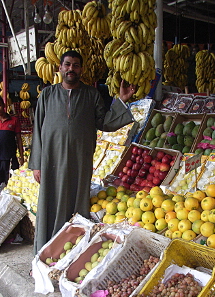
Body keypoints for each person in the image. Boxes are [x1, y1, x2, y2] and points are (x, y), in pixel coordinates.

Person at [29, 50, 136, 254]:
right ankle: (45, 250)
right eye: (67, 65)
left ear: (81, 69)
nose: (71, 69)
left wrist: (122, 101)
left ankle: (73, 251)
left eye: (76, 65)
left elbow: (105, 122)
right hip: (51, 160)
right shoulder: (48, 95)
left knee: (77, 203)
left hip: (80, 160)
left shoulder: (91, 95)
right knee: (49, 203)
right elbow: (37, 130)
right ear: (60, 68)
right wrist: (36, 164)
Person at [0, 95, 24, 193]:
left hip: (10, 159)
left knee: (12, 188)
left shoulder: (14, 120)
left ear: (4, 105)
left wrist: (21, 157)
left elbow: (19, 139)